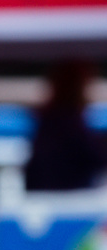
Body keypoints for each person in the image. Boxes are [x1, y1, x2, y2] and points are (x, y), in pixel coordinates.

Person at [25, 59, 107, 192]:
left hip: (51, 192)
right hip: (65, 195)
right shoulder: (65, 119)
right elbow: (94, 156)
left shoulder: (49, 118)